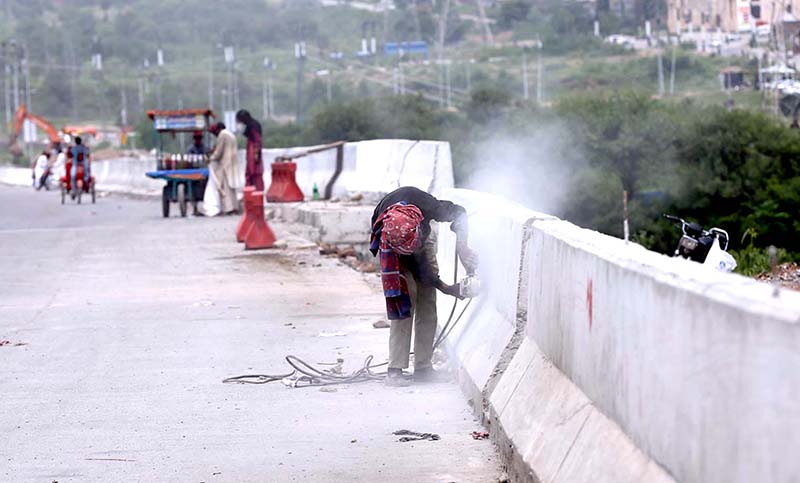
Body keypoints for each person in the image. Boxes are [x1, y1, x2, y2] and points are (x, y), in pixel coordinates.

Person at [370, 186, 478, 386]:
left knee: (427, 300)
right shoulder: (385, 226)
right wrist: (447, 288)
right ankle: (395, 369)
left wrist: (463, 247)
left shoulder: (428, 206)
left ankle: (423, 367)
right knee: (404, 300)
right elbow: (417, 266)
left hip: (420, 241)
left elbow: (460, 213)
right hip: (393, 250)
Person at [206, 122, 241, 215]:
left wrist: (210, 158)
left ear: (218, 129)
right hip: (232, 163)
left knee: (225, 187)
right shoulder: (231, 134)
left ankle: (229, 208)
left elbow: (218, 152)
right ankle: (235, 207)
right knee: (231, 187)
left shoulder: (222, 135)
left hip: (226, 164)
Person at [235, 109, 263, 190]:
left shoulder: (253, 126)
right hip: (252, 150)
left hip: (253, 151)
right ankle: (250, 192)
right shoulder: (252, 125)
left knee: (253, 173)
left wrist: (256, 154)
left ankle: (254, 192)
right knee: (251, 173)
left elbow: (257, 141)